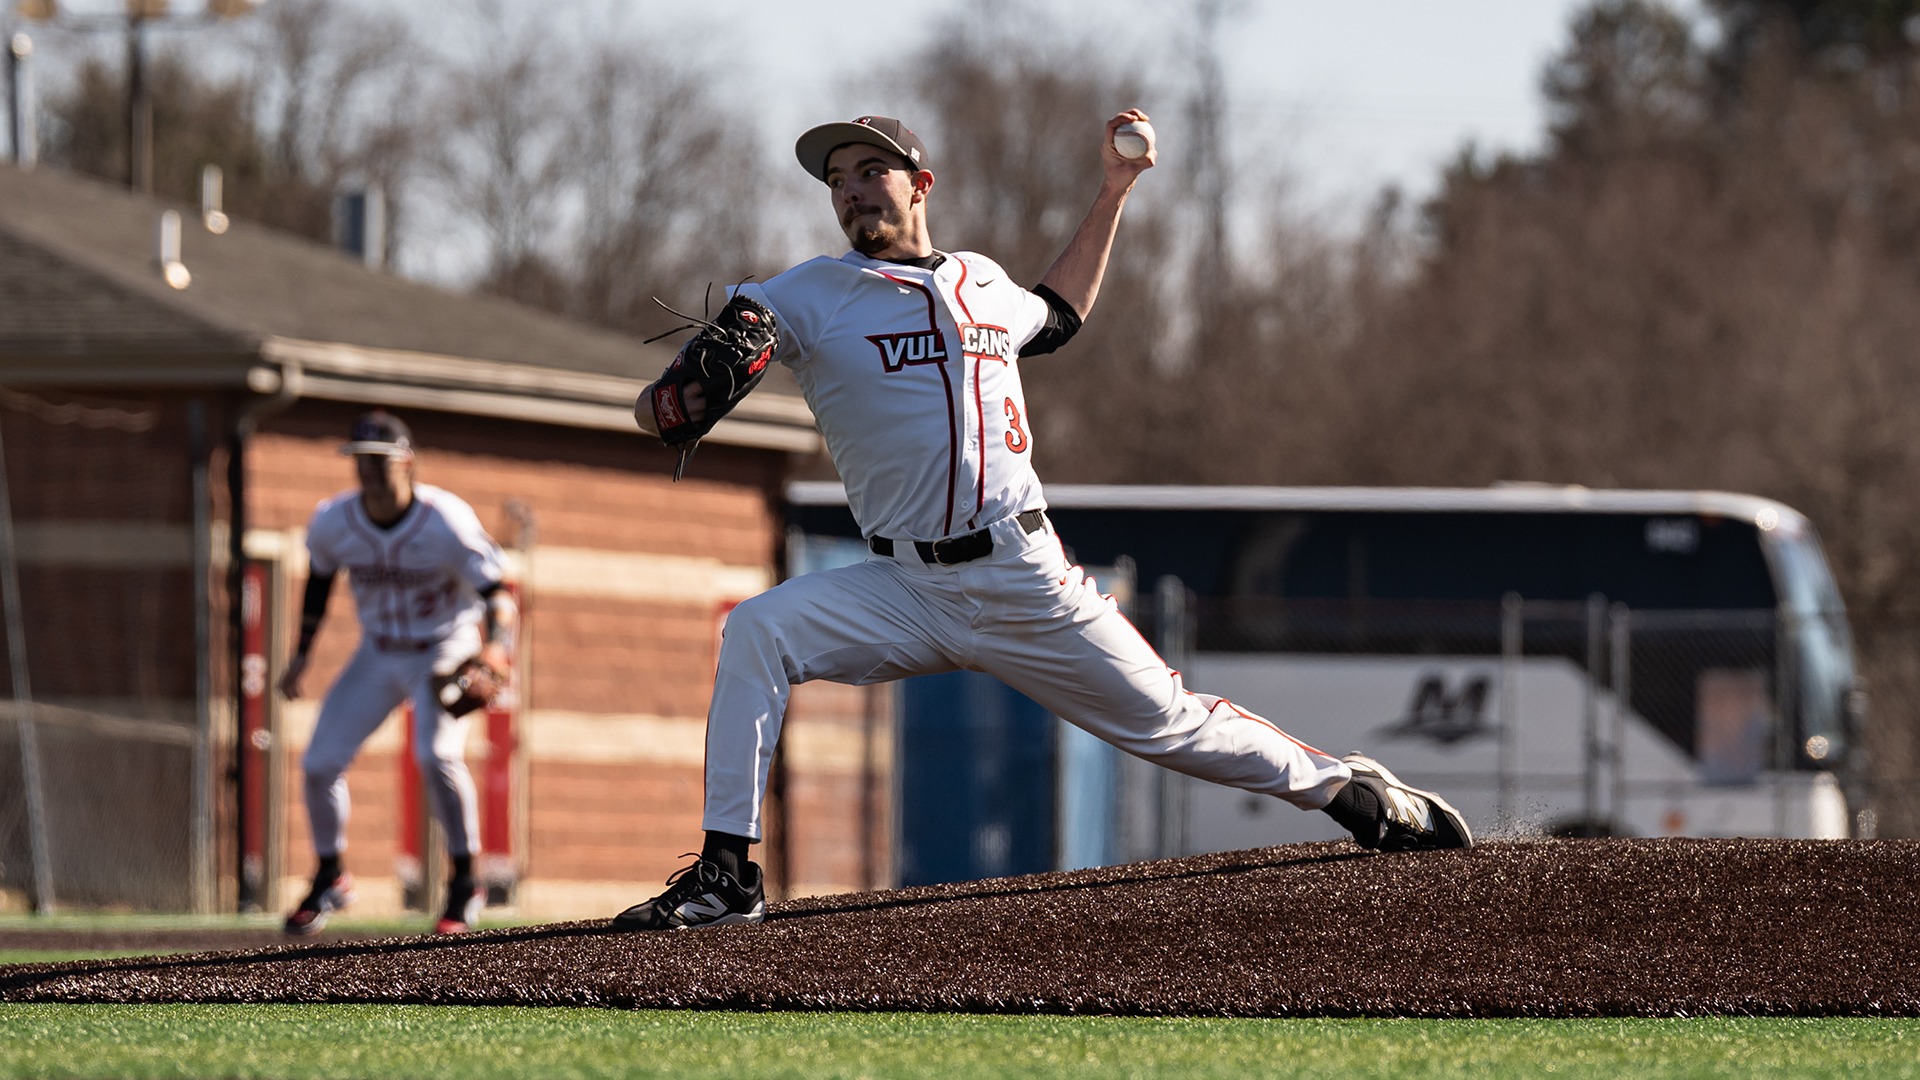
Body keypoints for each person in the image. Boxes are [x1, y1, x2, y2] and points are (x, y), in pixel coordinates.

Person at [617, 112, 1470, 931]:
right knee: (760, 630)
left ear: (921, 184)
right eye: (837, 181)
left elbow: (1057, 314)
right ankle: (727, 874)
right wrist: (678, 398)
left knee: (1174, 728)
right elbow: (663, 415)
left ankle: (1348, 790)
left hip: (1021, 577)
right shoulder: (807, 293)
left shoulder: (983, 280)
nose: (851, 192)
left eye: (870, 171)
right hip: (904, 586)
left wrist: (1114, 190)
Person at [276, 410, 515, 936]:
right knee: (318, 763)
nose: (369, 472)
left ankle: (465, 880)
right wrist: (302, 654)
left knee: (436, 755)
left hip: (444, 647)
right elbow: (318, 583)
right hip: (379, 649)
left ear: (407, 463)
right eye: (361, 461)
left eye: (381, 461)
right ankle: (330, 875)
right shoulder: (335, 519)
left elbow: (497, 593)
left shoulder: (444, 517)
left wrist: (496, 651)